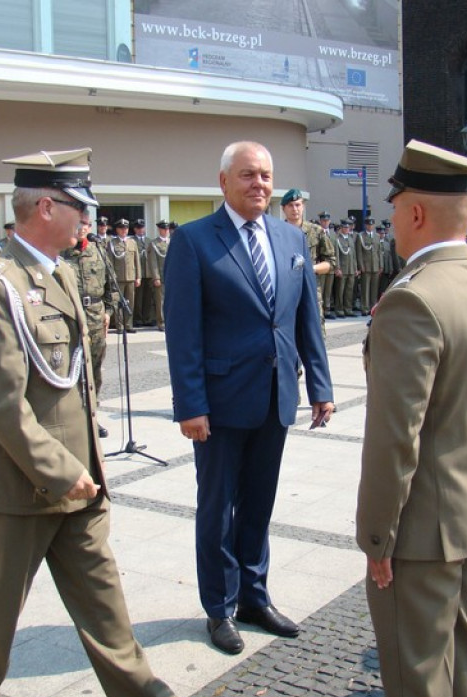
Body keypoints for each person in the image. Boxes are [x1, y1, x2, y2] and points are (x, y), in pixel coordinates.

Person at [0, 147, 215, 697]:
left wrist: (82, 467)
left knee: (102, 594)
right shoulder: (0, 285)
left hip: (79, 477)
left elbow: (76, 382)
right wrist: (56, 468)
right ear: (45, 206)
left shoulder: (61, 272)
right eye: (80, 207)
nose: (89, 220)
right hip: (23, 482)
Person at [356, 139, 467, 697]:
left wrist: (377, 537)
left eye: (396, 208)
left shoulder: (412, 298)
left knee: (419, 679)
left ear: (415, 213)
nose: (391, 219)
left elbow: (396, 439)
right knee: (464, 662)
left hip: (423, 526)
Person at [164, 141, 334, 655]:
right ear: (223, 182)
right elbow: (183, 332)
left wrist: (320, 387)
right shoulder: (194, 242)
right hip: (217, 404)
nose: (259, 184)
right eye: (247, 175)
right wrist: (191, 405)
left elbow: (307, 319)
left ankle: (254, 597)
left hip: (275, 396)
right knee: (218, 508)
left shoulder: (291, 238)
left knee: (259, 504)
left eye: (265, 176)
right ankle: (219, 608)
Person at [61, 215, 116, 437]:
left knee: (94, 369)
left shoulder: (99, 251)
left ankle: (92, 417)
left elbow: (112, 285)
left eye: (84, 224)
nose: (81, 228)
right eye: (77, 224)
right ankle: (71, 419)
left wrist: (109, 312)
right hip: (70, 317)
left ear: (90, 227)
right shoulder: (60, 254)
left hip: (95, 316)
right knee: (70, 368)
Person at [281, 189, 334, 330]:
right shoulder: (276, 232)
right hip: (284, 291)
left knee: (315, 331)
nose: (295, 209)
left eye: (298, 205)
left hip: (310, 289)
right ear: (283, 209)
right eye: (290, 205)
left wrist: (311, 268)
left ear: (303, 206)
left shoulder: (316, 231)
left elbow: (331, 263)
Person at [109, 219, 141, 333]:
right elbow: (110, 262)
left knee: (130, 302)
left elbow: (136, 261)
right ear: (117, 229)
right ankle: (120, 326)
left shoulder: (132, 242)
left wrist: (138, 277)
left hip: (131, 277)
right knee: (118, 303)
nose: (124, 230)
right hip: (118, 278)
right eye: (121, 228)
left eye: (126, 228)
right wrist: (112, 278)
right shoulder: (112, 243)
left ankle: (129, 325)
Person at [145, 220, 169, 331]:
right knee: (161, 301)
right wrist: (156, 277)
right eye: (164, 228)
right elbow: (153, 262)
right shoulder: (154, 244)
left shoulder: (172, 242)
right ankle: (161, 322)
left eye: (167, 228)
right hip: (161, 276)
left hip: (171, 276)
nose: (166, 231)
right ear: (159, 229)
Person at [333, 218, 356, 317]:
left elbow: (354, 255)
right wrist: (337, 268)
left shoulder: (350, 238)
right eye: (345, 227)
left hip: (350, 269)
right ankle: (339, 309)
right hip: (342, 268)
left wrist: (355, 268)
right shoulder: (337, 239)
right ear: (341, 228)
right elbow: (336, 254)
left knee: (349, 290)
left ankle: (348, 309)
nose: (347, 229)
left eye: (348, 227)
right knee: (340, 291)